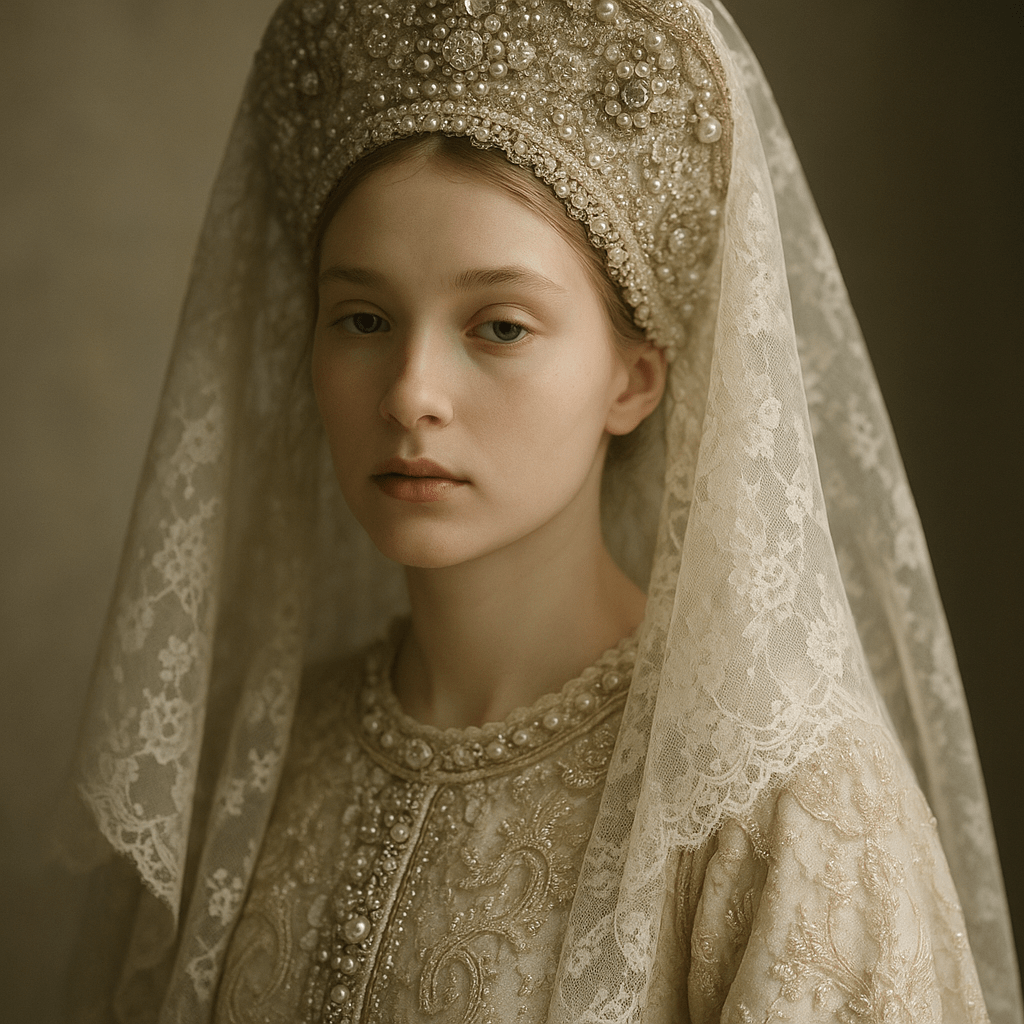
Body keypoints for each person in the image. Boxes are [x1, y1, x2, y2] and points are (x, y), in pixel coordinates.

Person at [60, 0, 1022, 1021]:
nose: (410, 393)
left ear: (633, 380)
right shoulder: (253, 761)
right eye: (364, 319)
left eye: (501, 327)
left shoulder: (784, 808)